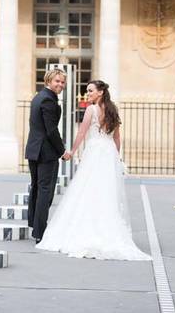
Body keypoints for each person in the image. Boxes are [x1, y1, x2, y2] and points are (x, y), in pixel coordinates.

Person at [37, 80, 151, 260]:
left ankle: (86, 228)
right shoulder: (113, 110)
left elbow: (82, 133)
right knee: (106, 192)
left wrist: (72, 151)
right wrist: (117, 157)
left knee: (88, 188)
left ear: (100, 92)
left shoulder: (91, 110)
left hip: (95, 151)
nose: (87, 94)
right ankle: (106, 229)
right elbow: (117, 138)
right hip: (108, 153)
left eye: (90, 91)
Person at [24, 68, 71, 244]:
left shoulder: (38, 97)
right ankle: (40, 232)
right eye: (57, 81)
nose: (60, 84)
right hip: (46, 152)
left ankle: (34, 225)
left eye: (62, 82)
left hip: (34, 150)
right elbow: (51, 130)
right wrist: (62, 151)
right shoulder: (49, 101)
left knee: (36, 187)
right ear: (48, 81)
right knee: (45, 190)